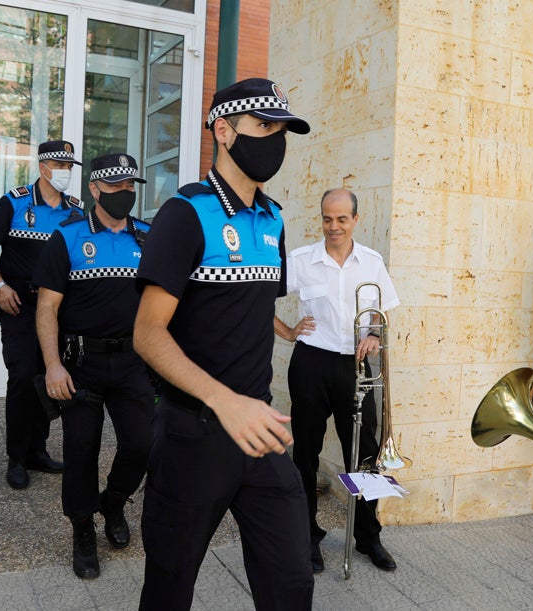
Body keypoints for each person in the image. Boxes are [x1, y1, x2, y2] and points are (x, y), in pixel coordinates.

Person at [133, 77, 314, 610]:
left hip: (258, 429)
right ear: (224, 131)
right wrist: (223, 399)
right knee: (170, 586)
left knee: (291, 582)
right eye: (264, 127)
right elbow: (147, 333)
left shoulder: (275, 218)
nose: (275, 140)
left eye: (282, 130)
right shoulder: (185, 214)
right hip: (194, 434)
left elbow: (252, 312)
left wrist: (260, 382)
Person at [33, 153, 153, 579]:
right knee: (81, 452)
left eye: (130, 186)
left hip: (134, 362)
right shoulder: (67, 236)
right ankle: (82, 528)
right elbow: (47, 307)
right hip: (80, 363)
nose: (125, 193)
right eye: (116, 186)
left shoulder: (148, 236)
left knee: (142, 443)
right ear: (95, 189)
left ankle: (115, 503)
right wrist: (52, 366)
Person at [273, 188, 401, 574]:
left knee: (364, 455)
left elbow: (381, 311)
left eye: (342, 219)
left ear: (355, 220)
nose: (334, 226)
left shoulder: (371, 262)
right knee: (306, 454)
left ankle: (368, 537)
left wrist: (375, 334)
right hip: (311, 363)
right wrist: (289, 331)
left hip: (356, 368)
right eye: (328, 219)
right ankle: (305, 536)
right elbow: (258, 296)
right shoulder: (301, 261)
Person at [0, 140, 84, 489]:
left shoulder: (76, 209)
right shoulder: (15, 201)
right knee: (23, 377)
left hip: (58, 307)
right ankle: (17, 458)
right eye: (59, 164)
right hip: (19, 303)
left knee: (47, 375)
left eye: (69, 166)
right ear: (43, 167)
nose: (65, 172)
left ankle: (38, 451)